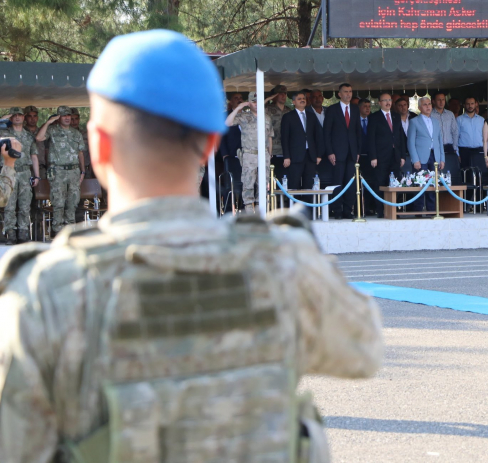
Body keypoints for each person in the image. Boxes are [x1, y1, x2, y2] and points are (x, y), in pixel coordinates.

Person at [0, 29, 383, 462]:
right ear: (211, 142)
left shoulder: (41, 298)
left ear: (99, 145)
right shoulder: (283, 263)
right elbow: (363, 350)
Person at [35, 105, 86, 237]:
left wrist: (83, 171)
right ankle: (57, 231)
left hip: (74, 171)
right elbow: (39, 138)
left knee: (72, 202)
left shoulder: (76, 133)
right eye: (64, 116)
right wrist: (48, 122)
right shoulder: (52, 130)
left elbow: (80, 153)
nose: (67, 118)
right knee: (58, 203)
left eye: (68, 115)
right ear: (58, 118)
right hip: (57, 171)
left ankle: (70, 232)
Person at [225, 92, 273, 213]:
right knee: (248, 183)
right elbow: (228, 123)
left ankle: (260, 209)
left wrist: (269, 154)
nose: (256, 104)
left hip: (264, 155)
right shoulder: (244, 116)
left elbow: (270, 137)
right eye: (253, 101)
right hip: (249, 154)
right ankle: (249, 209)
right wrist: (239, 108)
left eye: (258, 101)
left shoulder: (266, 117)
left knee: (263, 183)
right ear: (249, 103)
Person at [0, 107, 39, 244]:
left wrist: (37, 176)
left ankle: (23, 233)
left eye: (20, 115)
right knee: (9, 205)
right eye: (14, 115)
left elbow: (34, 156)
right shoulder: (4, 134)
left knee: (25, 205)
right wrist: (6, 116)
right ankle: (10, 234)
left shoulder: (29, 136)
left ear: (24, 118)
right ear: (10, 118)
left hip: (25, 172)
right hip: (9, 171)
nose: (17, 117)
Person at [324, 83, 361, 220]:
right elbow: (326, 133)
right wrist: (330, 152)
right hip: (337, 152)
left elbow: (358, 132)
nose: (348, 94)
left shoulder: (355, 109)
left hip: (352, 152)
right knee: (337, 182)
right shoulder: (332, 109)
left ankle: (347, 210)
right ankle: (337, 210)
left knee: (350, 183)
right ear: (339, 94)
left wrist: (358, 151)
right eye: (345, 91)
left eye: (350, 91)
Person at [281, 90, 324, 209]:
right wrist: (286, 156)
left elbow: (318, 136)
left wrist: (319, 154)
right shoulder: (288, 117)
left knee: (308, 185)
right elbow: (284, 138)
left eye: (304, 98)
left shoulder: (311, 116)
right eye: (299, 99)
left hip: (310, 155)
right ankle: (294, 212)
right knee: (293, 184)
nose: (302, 100)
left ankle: (307, 211)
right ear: (294, 102)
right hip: (294, 156)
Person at [368, 93, 406, 218]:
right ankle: (381, 210)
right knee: (380, 183)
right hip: (380, 157)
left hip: (395, 156)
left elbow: (401, 137)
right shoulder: (374, 117)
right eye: (385, 100)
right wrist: (373, 157)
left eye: (389, 100)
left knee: (396, 183)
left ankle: (394, 210)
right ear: (379, 103)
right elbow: (371, 138)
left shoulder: (396, 116)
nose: (388, 102)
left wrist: (402, 156)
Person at [408, 96, 445, 214]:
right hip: (421, 157)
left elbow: (440, 141)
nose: (428, 106)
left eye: (429, 104)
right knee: (420, 184)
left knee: (433, 185)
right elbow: (410, 142)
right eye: (425, 104)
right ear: (419, 107)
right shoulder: (414, 121)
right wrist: (415, 160)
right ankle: (418, 211)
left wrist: (442, 158)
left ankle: (432, 211)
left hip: (435, 156)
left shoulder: (435, 121)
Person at [266, 84, 291, 181]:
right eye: (280, 94)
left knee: (284, 178)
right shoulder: (267, 109)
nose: (283, 96)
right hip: (273, 150)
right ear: (275, 95)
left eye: (285, 93)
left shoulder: (288, 110)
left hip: (286, 151)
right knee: (272, 178)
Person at [457, 97, 488, 168]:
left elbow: (485, 137)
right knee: (465, 174)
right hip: (464, 151)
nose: (470, 106)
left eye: (472, 103)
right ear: (464, 105)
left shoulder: (481, 120)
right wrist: (458, 154)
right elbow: (456, 137)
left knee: (479, 174)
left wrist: (486, 153)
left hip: (479, 150)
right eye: (468, 104)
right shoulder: (459, 119)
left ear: (476, 104)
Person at [357, 98, 376, 215]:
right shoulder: (354, 119)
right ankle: (357, 208)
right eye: (365, 106)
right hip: (358, 157)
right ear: (359, 107)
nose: (368, 108)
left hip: (371, 157)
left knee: (370, 183)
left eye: (369, 106)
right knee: (357, 184)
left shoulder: (373, 119)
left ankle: (369, 208)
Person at [24, 105, 46, 179]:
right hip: (25, 169)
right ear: (25, 118)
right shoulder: (21, 132)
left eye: (35, 116)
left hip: (41, 169)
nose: (32, 119)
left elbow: (48, 150)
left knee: (42, 190)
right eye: (29, 116)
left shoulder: (43, 132)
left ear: (37, 117)